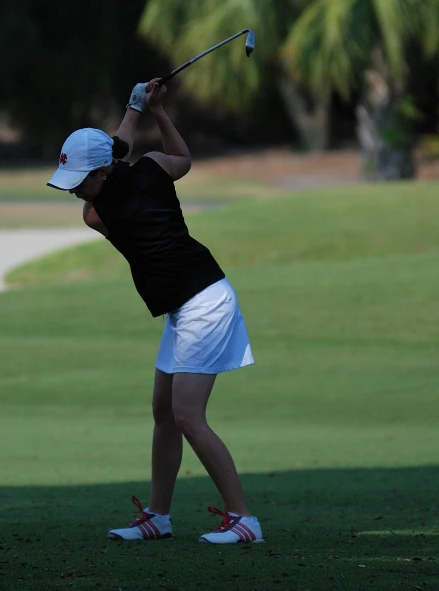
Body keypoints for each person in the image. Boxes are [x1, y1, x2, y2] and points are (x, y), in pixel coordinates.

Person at [46, 79, 262, 545]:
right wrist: (154, 111)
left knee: (186, 415)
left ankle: (244, 519)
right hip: (185, 305)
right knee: (164, 412)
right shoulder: (152, 169)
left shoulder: (96, 214)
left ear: (101, 174)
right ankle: (158, 517)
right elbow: (180, 159)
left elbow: (117, 150)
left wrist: (136, 107)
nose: (73, 192)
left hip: (205, 302)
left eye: (79, 180)